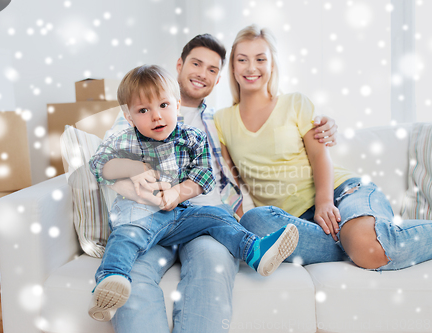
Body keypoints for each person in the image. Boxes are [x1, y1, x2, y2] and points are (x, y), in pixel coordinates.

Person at [103, 34, 339, 333]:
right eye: (196, 63)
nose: (202, 73)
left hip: (207, 222)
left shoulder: (221, 122)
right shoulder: (138, 111)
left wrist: (325, 124)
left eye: (212, 69)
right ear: (180, 65)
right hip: (151, 218)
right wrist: (136, 182)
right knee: (130, 272)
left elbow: (270, 141)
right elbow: (107, 167)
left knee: (211, 267)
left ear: (218, 81)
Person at [88, 64, 300, 322]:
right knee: (125, 235)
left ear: (177, 105)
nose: (156, 116)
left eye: (163, 105)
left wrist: (177, 193)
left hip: (177, 213)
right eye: (144, 110)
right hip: (139, 214)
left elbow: (203, 175)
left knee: (217, 216)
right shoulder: (125, 139)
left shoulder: (192, 137)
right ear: (129, 116)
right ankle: (111, 280)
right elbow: (99, 165)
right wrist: (133, 167)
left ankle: (254, 250)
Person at [214, 24, 432, 271]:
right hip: (297, 224)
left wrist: (324, 202)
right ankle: (354, 243)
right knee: (254, 221)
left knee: (368, 248)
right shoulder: (221, 120)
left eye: (260, 59)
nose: (251, 67)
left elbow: (319, 155)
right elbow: (230, 182)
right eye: (242, 59)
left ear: (272, 64)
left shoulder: (295, 102)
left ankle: (360, 241)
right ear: (232, 66)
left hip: (343, 193)